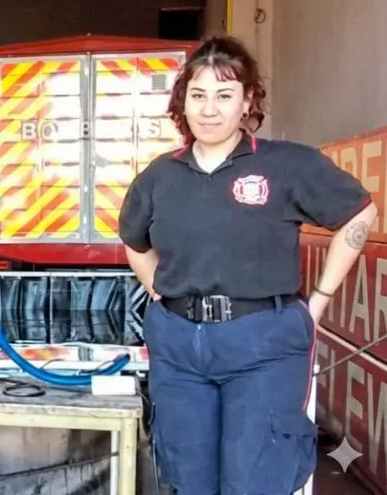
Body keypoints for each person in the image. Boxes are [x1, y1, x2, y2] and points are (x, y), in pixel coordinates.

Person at [118, 35, 377, 494]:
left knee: (255, 480)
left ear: (247, 101)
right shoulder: (159, 176)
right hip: (178, 347)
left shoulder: (286, 164)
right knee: (188, 479)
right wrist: (161, 290)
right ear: (182, 102)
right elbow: (134, 242)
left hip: (263, 343)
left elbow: (359, 213)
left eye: (224, 95)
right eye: (198, 95)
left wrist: (319, 301)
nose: (209, 109)